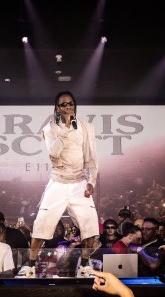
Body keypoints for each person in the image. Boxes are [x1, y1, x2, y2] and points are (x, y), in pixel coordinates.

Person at [20, 91, 99, 277]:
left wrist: (91, 181)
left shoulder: (86, 127)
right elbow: (54, 153)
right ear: (57, 108)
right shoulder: (50, 129)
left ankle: (84, 266)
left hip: (79, 182)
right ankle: (30, 267)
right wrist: (66, 128)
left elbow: (92, 156)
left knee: (90, 226)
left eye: (71, 103)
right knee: (41, 226)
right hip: (58, 182)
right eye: (64, 104)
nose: (68, 107)